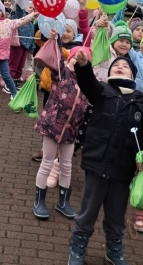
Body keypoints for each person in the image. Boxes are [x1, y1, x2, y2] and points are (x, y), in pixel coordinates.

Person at [68, 54, 143, 265]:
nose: (120, 67)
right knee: (88, 211)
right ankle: (78, 247)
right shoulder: (102, 91)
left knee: (116, 214)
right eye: (116, 65)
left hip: (124, 169)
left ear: (133, 74)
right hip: (97, 163)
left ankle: (114, 250)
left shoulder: (142, 101)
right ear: (109, 72)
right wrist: (84, 66)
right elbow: (87, 82)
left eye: (125, 66)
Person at [32, 33, 89, 220]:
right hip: (51, 126)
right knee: (47, 162)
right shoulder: (62, 72)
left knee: (67, 165)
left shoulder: (88, 84)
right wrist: (56, 39)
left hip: (71, 131)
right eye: (74, 57)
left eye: (82, 59)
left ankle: (63, 202)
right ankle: (39, 201)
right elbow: (56, 55)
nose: (77, 60)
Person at [30, 19, 82, 162]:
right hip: (49, 90)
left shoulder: (73, 50)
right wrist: (47, 32)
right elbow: (38, 41)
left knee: (62, 122)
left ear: (74, 34)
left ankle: (59, 152)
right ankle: (45, 149)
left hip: (65, 95)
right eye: (62, 30)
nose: (64, 33)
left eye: (68, 31)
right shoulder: (52, 42)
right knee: (48, 120)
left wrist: (57, 42)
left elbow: (63, 53)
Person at [6, 0, 36, 93]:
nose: (32, 10)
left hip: (26, 46)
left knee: (20, 65)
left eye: (33, 9)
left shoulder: (31, 22)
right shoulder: (20, 16)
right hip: (18, 44)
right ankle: (8, 84)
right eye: (30, 7)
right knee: (13, 64)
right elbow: (19, 8)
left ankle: (16, 80)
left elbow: (31, 35)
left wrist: (31, 46)